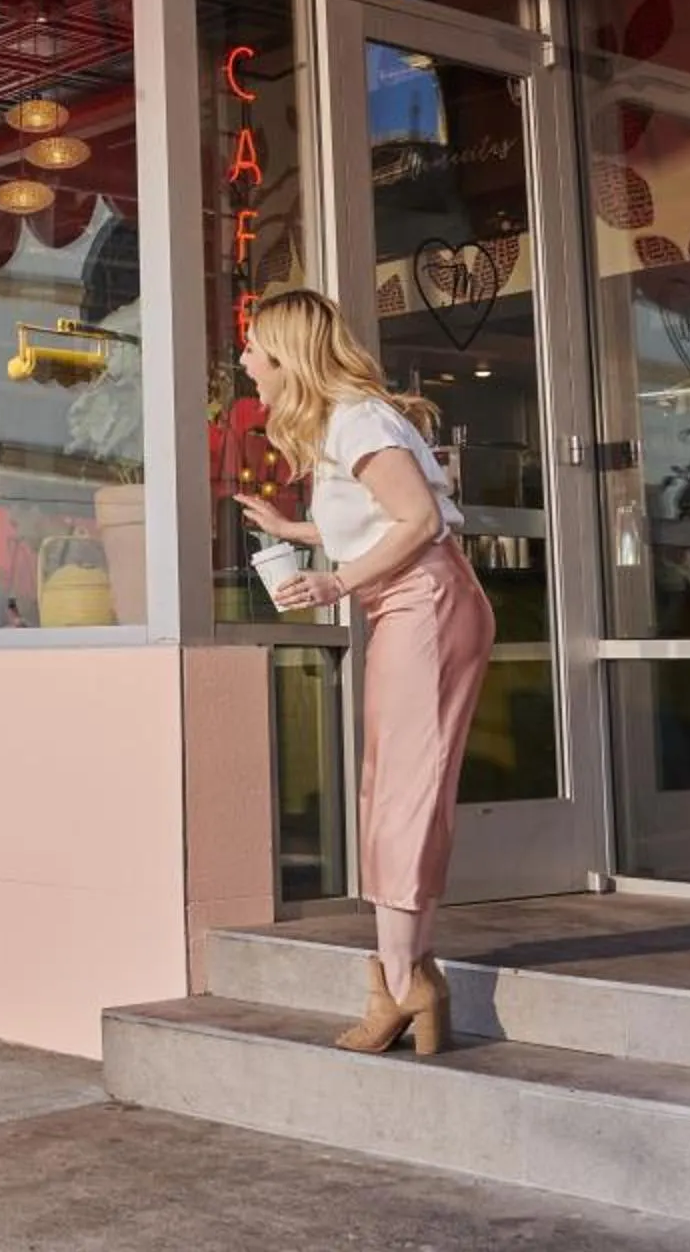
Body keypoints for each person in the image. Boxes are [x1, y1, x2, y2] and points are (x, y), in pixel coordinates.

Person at [234, 288, 490, 1056]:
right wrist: (295, 529)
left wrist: (334, 582)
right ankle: (403, 977)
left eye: (252, 347)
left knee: (406, 789)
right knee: (388, 787)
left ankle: (403, 980)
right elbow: (378, 517)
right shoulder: (345, 426)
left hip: (428, 602)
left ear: (286, 355)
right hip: (404, 606)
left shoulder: (361, 421)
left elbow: (417, 521)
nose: (244, 361)